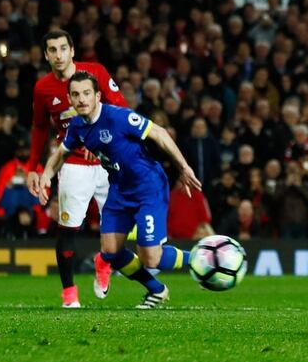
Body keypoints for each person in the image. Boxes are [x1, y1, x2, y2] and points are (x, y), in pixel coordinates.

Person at [32, 71, 202, 309]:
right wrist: (47, 176)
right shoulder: (78, 126)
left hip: (147, 187)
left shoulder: (118, 117)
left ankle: (200, 258)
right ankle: (157, 290)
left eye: (87, 94)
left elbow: (159, 133)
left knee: (151, 258)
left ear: (97, 96)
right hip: (120, 190)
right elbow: (60, 154)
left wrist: (183, 167)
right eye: (76, 95)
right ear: (70, 99)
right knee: (110, 251)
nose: (81, 99)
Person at [25, 30, 125, 308]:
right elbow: (39, 128)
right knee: (68, 229)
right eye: (52, 50)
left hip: (108, 163)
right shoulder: (43, 88)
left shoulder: (96, 72)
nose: (58, 55)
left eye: (62, 49)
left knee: (120, 229)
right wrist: (34, 167)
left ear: (72, 50)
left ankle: (104, 261)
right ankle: (69, 293)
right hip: (73, 165)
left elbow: (121, 109)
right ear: (46, 55)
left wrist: (104, 141)